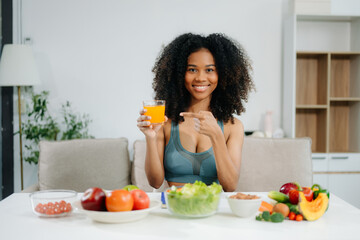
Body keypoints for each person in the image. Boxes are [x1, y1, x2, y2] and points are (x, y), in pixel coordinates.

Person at [137, 33, 254, 192]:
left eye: (209, 70)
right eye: (192, 69)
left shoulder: (233, 127)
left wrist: (216, 136)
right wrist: (150, 138)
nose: (200, 78)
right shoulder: (164, 122)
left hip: (212, 209)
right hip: (175, 207)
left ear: (223, 74)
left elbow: (230, 185)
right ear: (178, 74)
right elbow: (155, 182)